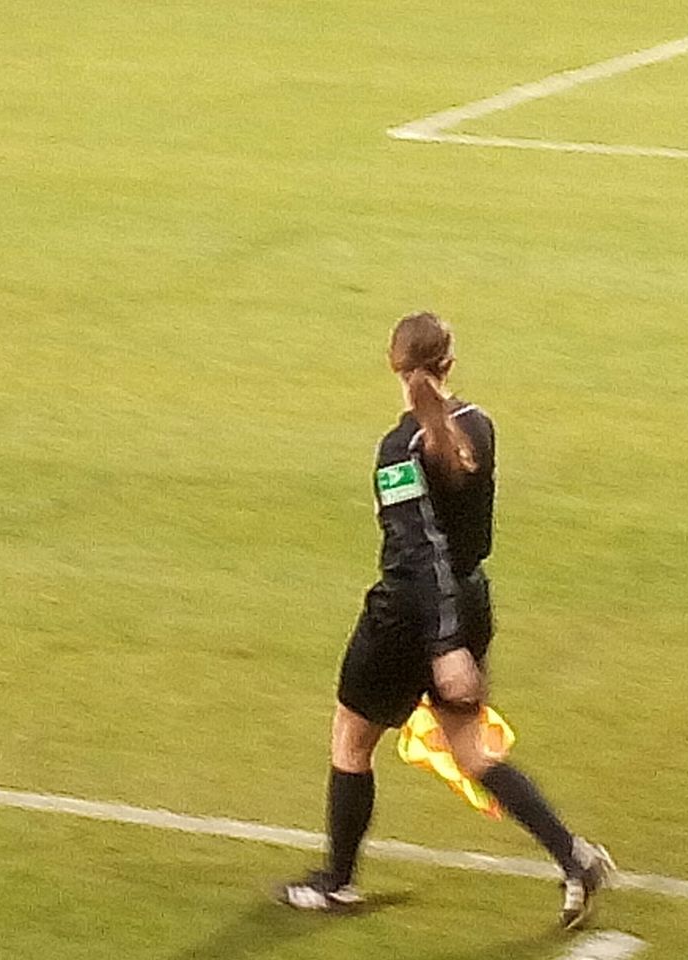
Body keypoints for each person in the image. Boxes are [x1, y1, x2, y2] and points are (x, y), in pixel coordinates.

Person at [278, 312, 615, 928]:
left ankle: (338, 880)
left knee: (352, 741)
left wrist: (444, 644)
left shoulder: (396, 450)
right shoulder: (478, 426)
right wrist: (459, 634)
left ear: (395, 367)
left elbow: (418, 548)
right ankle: (574, 858)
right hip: (470, 599)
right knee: (471, 752)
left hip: (410, 617)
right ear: (449, 364)